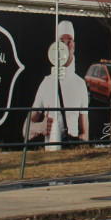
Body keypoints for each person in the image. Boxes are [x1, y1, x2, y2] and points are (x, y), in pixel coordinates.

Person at [29, 20, 89, 149]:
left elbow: (85, 131)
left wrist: (82, 142)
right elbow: (25, 130)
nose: (66, 46)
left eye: (69, 41)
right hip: (51, 153)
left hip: (71, 151)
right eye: (62, 41)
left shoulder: (80, 84)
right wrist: (39, 127)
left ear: (74, 46)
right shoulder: (47, 83)